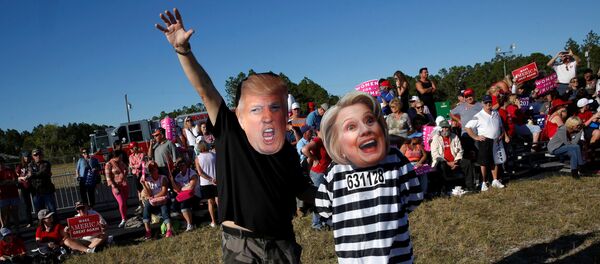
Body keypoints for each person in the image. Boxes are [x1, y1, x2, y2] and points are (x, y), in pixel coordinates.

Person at [155, 8, 314, 262]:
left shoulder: (284, 147)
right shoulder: (230, 131)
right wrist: (183, 51)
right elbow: (205, 90)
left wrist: (335, 194)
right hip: (243, 246)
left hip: (282, 244)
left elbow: (302, 189)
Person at [315, 91, 422, 263]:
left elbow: (325, 210)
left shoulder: (395, 159)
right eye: (351, 127)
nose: (365, 130)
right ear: (338, 143)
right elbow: (323, 208)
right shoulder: (335, 171)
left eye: (370, 120)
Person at [465, 95, 507, 191]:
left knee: (495, 161)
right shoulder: (478, 116)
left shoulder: (496, 113)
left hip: (496, 140)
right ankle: (483, 182)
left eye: (490, 102)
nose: (488, 104)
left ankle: (495, 180)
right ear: (483, 104)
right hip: (485, 141)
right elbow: (468, 127)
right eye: (486, 102)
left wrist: (502, 134)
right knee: (483, 163)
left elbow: (501, 126)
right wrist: (476, 137)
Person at [430, 120, 477, 194]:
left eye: (447, 127)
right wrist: (448, 163)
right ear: (440, 129)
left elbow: (460, 150)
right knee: (441, 165)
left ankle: (470, 186)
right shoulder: (435, 138)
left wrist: (456, 161)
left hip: (455, 160)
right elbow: (435, 154)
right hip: (443, 162)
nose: (445, 129)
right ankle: (443, 189)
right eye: (443, 128)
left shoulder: (454, 136)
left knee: (467, 162)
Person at [301, 128, 331, 230]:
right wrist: (315, 159)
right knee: (318, 199)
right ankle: (316, 223)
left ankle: (323, 220)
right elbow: (304, 149)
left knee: (324, 197)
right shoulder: (318, 140)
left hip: (322, 172)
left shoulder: (325, 140)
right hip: (318, 173)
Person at [141, 161, 173, 239]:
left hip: (163, 199)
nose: (153, 171)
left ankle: (169, 230)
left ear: (157, 169)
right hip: (154, 201)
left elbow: (164, 191)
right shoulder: (148, 180)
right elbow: (148, 194)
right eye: (151, 170)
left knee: (164, 208)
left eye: (154, 169)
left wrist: (154, 196)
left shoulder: (163, 178)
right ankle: (148, 231)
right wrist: (144, 184)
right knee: (146, 207)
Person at [169, 158, 200, 231]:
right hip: (184, 196)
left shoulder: (192, 173)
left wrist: (181, 188)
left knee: (184, 204)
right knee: (174, 206)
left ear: (186, 165)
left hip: (195, 195)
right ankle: (189, 221)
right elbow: (177, 189)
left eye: (183, 165)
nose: (181, 167)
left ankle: (189, 224)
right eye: (179, 166)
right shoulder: (178, 176)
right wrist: (172, 181)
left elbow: (191, 187)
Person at [194, 141, 218, 228]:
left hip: (206, 183)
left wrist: (210, 179)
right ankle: (224, 219)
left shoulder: (197, 158)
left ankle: (213, 221)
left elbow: (200, 173)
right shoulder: (214, 155)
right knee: (218, 201)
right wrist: (214, 179)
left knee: (210, 202)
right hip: (216, 180)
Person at [104, 150, 129, 228]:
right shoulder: (108, 164)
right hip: (116, 186)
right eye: (120, 156)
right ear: (116, 157)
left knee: (124, 203)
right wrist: (114, 187)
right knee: (121, 203)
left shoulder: (121, 162)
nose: (121, 157)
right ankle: (123, 219)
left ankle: (126, 218)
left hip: (124, 184)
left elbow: (126, 169)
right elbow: (108, 178)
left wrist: (125, 172)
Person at [27, 149, 56, 213]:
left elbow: (43, 172)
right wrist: (33, 174)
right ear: (32, 156)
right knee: (40, 212)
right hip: (36, 192)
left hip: (47, 190)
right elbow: (30, 174)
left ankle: (56, 222)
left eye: (39, 154)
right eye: (35, 155)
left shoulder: (46, 163)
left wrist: (33, 174)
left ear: (42, 155)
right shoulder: (30, 165)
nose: (38, 156)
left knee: (52, 209)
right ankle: (42, 223)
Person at [15, 152, 33, 227]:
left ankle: (40, 219)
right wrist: (22, 178)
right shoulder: (19, 166)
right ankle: (29, 221)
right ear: (23, 157)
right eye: (25, 157)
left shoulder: (32, 164)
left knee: (37, 202)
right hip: (24, 187)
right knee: (27, 204)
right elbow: (16, 177)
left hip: (33, 186)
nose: (27, 158)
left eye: (28, 156)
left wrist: (29, 175)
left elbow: (32, 173)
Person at [0, 158, 19, 228]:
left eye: (1, 163)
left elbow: (15, 180)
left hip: (14, 195)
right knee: (5, 216)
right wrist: (8, 181)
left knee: (15, 215)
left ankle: (18, 232)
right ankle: (8, 234)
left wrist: (4, 182)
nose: (0, 165)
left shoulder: (10, 170)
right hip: (3, 197)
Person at [128, 142, 146, 213]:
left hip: (142, 173)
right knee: (138, 189)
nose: (132, 149)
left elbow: (139, 165)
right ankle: (140, 203)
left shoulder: (142, 154)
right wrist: (135, 165)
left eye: (133, 147)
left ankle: (145, 202)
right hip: (135, 174)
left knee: (144, 187)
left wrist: (134, 166)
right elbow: (130, 165)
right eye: (131, 148)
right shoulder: (130, 156)